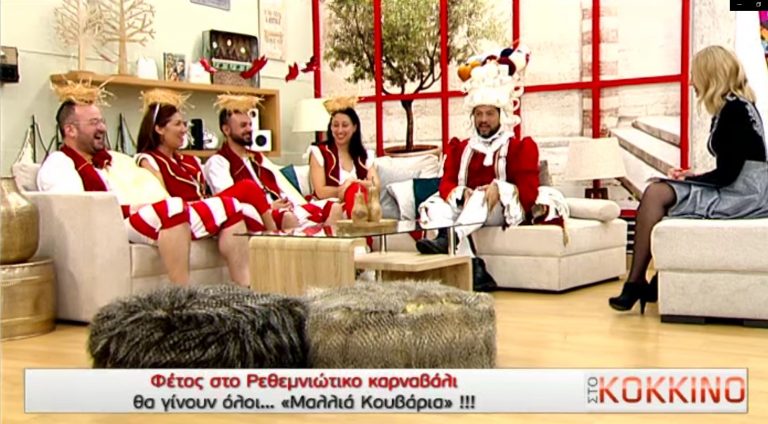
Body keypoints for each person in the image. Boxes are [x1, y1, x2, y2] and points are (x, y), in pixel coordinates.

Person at [609, 45, 768, 314]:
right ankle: (647, 282)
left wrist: (691, 181)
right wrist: (692, 177)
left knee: (656, 193)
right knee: (660, 193)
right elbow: (731, 167)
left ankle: (636, 283)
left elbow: (728, 175)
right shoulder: (734, 106)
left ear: (710, 75)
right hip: (744, 188)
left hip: (745, 195)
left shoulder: (734, 111)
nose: (691, 82)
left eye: (695, 75)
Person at [37, 81, 193, 285]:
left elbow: (142, 186)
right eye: (93, 122)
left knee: (228, 207)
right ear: (70, 130)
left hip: (134, 217)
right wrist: (133, 209)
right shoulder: (59, 163)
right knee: (173, 209)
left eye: (102, 121)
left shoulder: (111, 160)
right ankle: (183, 294)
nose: (102, 127)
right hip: (111, 227)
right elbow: (77, 212)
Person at [415, 46, 540, 292]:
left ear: (502, 114)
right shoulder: (460, 148)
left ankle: (448, 238)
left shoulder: (520, 147)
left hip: (499, 209)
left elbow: (529, 192)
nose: (483, 120)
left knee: (481, 196)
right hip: (466, 208)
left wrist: (500, 189)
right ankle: (475, 267)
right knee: (436, 206)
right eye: (479, 114)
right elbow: (446, 183)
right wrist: (462, 193)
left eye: (490, 114)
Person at [135, 89, 267, 287]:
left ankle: (246, 286)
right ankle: (278, 244)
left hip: (202, 208)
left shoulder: (190, 161)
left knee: (245, 210)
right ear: (159, 129)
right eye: (178, 124)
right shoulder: (148, 159)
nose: (184, 129)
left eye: (184, 124)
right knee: (245, 190)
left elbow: (204, 191)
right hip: (180, 214)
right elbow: (161, 197)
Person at [204, 94, 344, 230]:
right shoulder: (218, 162)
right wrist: (269, 207)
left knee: (335, 207)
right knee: (288, 217)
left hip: (283, 208)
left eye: (250, 124)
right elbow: (229, 203)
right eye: (243, 125)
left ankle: (326, 244)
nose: (249, 129)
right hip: (259, 215)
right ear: (226, 130)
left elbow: (283, 185)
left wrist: (299, 205)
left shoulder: (257, 157)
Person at [308, 96, 380, 218]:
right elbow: (320, 191)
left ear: (354, 127)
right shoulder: (319, 152)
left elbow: (376, 185)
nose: (340, 130)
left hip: (359, 204)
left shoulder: (364, 156)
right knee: (354, 193)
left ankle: (358, 222)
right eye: (335, 125)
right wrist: (343, 189)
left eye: (345, 125)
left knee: (356, 192)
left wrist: (354, 183)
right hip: (329, 206)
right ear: (330, 127)